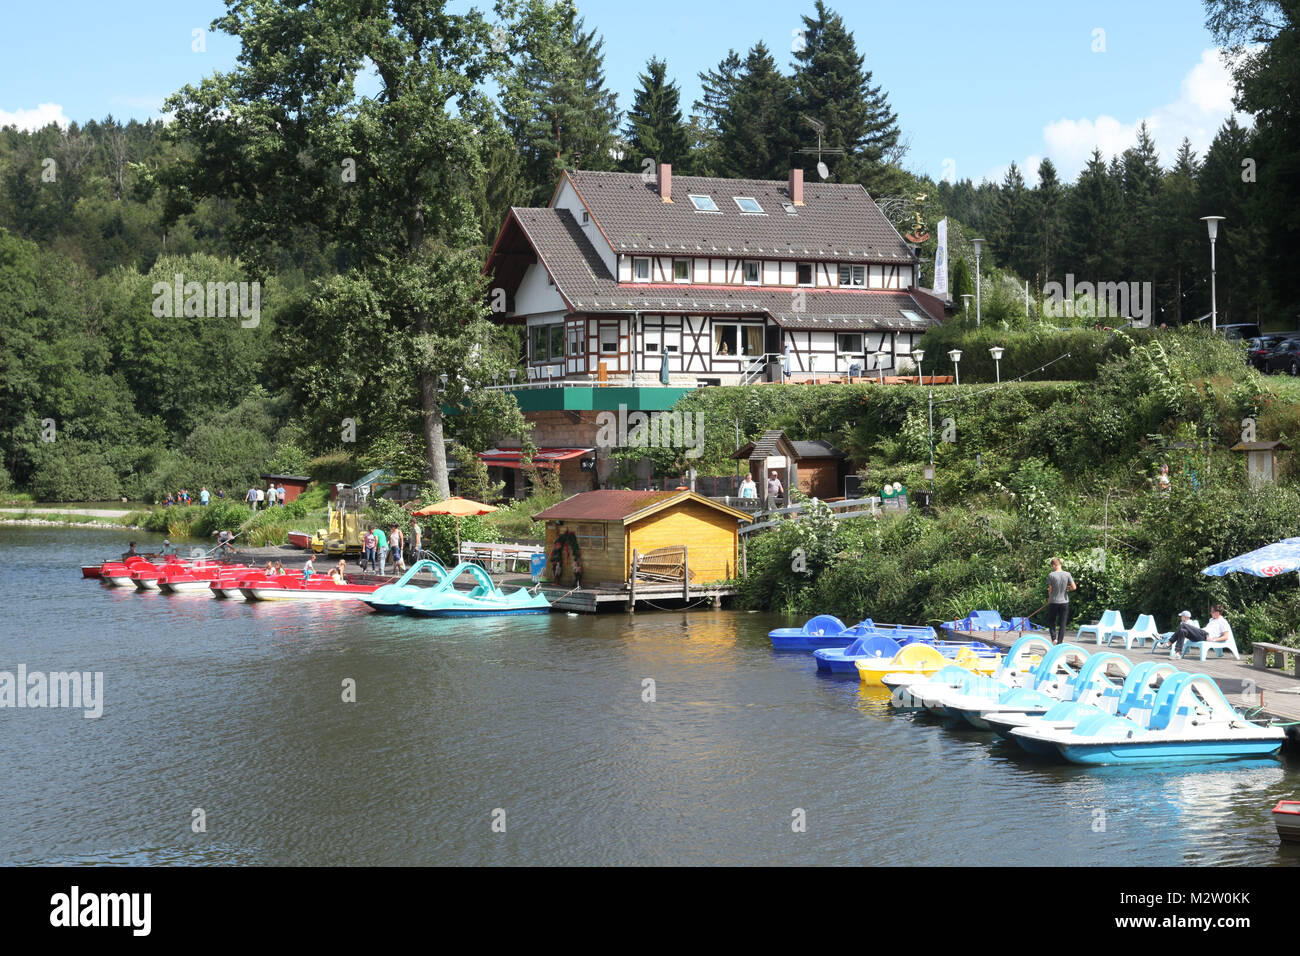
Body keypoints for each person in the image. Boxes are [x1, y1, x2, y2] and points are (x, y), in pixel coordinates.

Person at [1045, 557, 1077, 645]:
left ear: (1054, 565)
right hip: (1065, 602)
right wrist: (1068, 588)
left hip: (1054, 601)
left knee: (1051, 621)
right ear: (1060, 564)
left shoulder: (1051, 575)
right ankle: (1060, 642)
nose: (1052, 568)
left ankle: (1054, 638)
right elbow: (1074, 587)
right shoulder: (1067, 574)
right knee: (1063, 623)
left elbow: (1050, 589)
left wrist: (1049, 599)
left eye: (1052, 566)